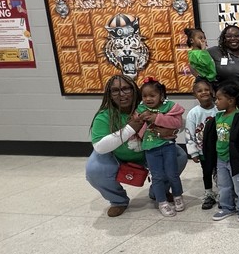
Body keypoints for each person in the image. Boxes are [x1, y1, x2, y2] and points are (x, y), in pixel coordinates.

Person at [85, 75, 187, 217]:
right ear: (109, 94)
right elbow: (100, 147)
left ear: (134, 90)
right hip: (118, 157)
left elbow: (181, 122)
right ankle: (118, 200)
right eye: (115, 90)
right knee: (95, 169)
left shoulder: (148, 104)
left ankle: (159, 192)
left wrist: (171, 131)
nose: (121, 94)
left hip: (151, 152)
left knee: (179, 156)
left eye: (126, 89)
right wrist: (130, 128)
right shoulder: (104, 115)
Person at [135, 78, 186, 217]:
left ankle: (177, 196)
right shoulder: (140, 109)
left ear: (161, 95)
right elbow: (135, 125)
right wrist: (140, 118)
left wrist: (157, 118)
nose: (148, 99)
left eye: (152, 95)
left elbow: (177, 123)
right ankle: (162, 202)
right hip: (150, 148)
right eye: (145, 96)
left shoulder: (169, 106)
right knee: (156, 176)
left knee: (172, 174)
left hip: (167, 146)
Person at [211, 83, 239, 222]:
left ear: (230, 100)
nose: (216, 102)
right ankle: (227, 207)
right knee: (223, 185)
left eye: (219, 99)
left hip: (236, 159)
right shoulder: (218, 117)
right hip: (221, 158)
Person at [185, 77, 218, 210]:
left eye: (206, 89)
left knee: (221, 171)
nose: (204, 92)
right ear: (195, 95)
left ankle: (225, 192)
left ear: (212, 92)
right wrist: (193, 152)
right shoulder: (193, 113)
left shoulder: (219, 109)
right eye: (199, 91)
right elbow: (189, 133)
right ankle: (209, 194)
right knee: (207, 171)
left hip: (219, 148)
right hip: (203, 150)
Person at [207, 25, 239, 91]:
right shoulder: (215, 52)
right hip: (221, 95)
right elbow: (196, 62)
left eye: (237, 36)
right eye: (229, 36)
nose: (233, 38)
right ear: (224, 38)